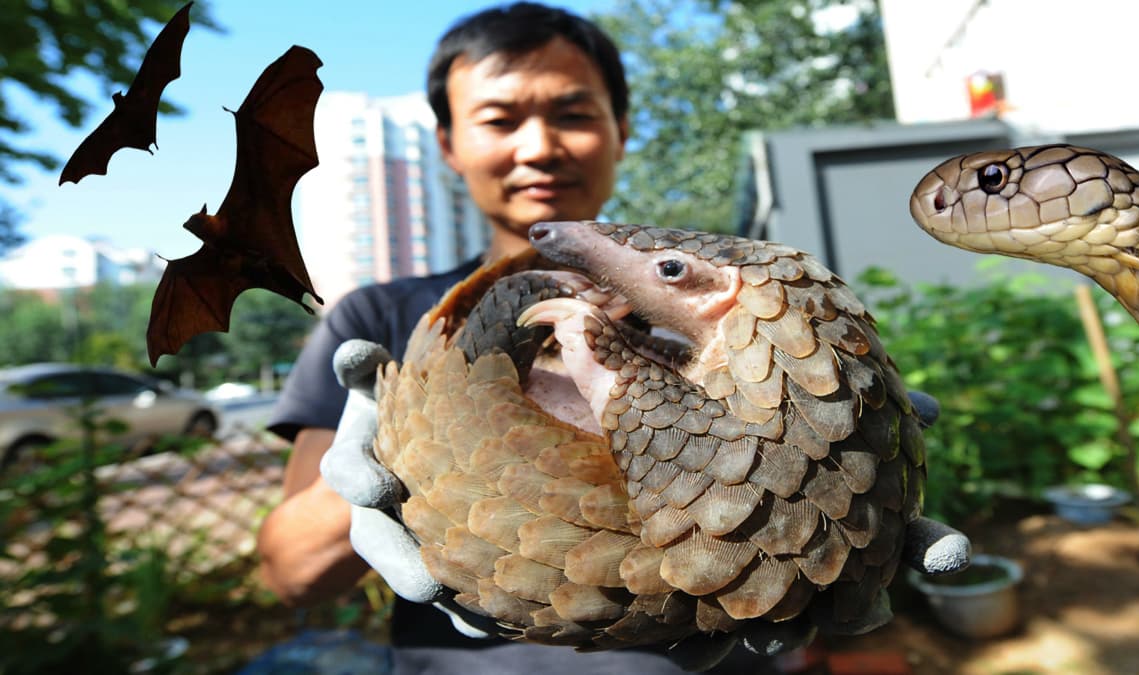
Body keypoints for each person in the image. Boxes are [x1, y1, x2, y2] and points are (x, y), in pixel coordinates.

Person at [257, 3, 970, 673]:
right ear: (449, 143)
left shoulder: (712, 295)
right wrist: (389, 457)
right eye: (499, 119)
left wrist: (851, 490)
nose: (537, 147)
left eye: (572, 113)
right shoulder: (378, 319)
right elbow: (288, 574)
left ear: (621, 129)